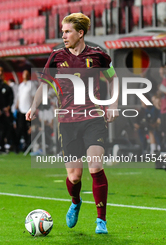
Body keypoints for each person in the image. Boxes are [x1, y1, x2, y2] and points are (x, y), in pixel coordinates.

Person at [26, 13, 119, 234]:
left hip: (93, 118)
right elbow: (44, 85)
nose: (63, 35)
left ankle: (101, 220)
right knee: (74, 176)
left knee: (95, 166)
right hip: (67, 122)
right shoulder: (57, 56)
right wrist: (34, 106)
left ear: (80, 33)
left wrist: (113, 104)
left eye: (67, 31)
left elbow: (113, 78)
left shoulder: (99, 56)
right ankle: (75, 201)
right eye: (62, 31)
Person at [16, 70, 36, 152]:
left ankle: (29, 145)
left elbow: (34, 96)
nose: (25, 75)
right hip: (21, 110)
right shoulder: (21, 85)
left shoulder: (31, 84)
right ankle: (22, 145)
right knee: (21, 129)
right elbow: (18, 97)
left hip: (28, 110)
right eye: (24, 73)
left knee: (30, 129)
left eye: (27, 74)